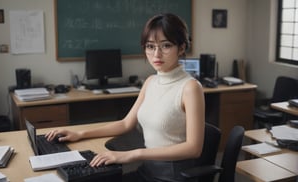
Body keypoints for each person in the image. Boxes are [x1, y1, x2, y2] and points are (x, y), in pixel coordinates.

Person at [46, 13, 205, 182]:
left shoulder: (190, 88)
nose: (156, 54)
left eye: (165, 46)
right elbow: (125, 124)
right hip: (147, 170)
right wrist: (80, 133)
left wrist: (132, 154)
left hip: (172, 176)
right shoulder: (151, 81)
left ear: (181, 48)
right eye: (150, 46)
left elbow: (193, 148)